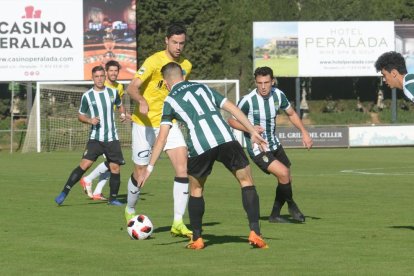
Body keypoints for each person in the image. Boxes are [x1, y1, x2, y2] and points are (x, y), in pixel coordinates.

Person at [138, 62, 269, 249]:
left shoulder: (169, 100)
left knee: (196, 190)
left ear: (167, 83)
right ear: (182, 75)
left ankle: (198, 238)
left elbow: (162, 138)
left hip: (200, 146)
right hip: (226, 138)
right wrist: (252, 130)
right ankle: (255, 232)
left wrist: (149, 168)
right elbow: (231, 107)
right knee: (246, 181)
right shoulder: (202, 87)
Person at [125, 23, 192, 237]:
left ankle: (178, 222)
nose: (178, 47)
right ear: (166, 40)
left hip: (167, 123)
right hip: (143, 124)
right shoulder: (153, 61)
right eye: (175, 42)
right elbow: (131, 87)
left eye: (182, 43)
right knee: (140, 173)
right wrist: (141, 100)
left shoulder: (186, 66)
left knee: (183, 167)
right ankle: (130, 209)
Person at [228, 66, 313, 223]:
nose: (263, 86)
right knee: (283, 173)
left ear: (272, 81)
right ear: (256, 82)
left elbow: (292, 114)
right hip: (258, 148)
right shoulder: (248, 100)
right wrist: (250, 128)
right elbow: (231, 120)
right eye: (260, 83)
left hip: (274, 144)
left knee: (286, 177)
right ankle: (291, 204)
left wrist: (304, 132)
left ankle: (274, 215)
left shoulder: (278, 95)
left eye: (266, 82)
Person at [54, 65, 126, 206]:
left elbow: (120, 104)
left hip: (112, 138)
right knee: (84, 165)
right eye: (96, 76)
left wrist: (122, 113)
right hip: (96, 138)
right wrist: (89, 120)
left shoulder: (113, 92)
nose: (99, 79)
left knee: (115, 168)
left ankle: (113, 199)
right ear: (92, 78)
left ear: (105, 77)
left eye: (101, 76)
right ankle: (64, 192)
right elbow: (80, 115)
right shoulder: (87, 96)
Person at [80, 60, 130, 201]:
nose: (113, 73)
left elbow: (119, 105)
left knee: (112, 164)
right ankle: (88, 179)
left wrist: (122, 114)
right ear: (106, 73)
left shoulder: (118, 87)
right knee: (112, 163)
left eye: (116, 71)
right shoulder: (102, 85)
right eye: (111, 71)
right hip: (100, 133)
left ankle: (97, 191)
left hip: (111, 130)